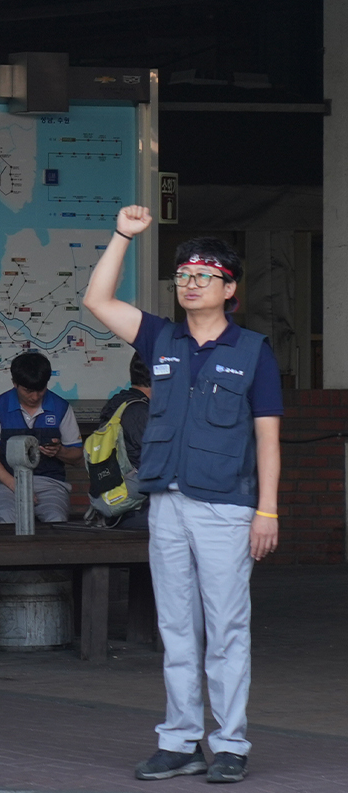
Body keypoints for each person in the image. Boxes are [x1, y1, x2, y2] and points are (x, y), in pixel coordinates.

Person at [84, 206, 280, 785]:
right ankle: (180, 741)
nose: (190, 284)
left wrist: (267, 510)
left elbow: (268, 438)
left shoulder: (254, 351)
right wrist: (122, 236)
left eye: (204, 276)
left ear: (230, 288)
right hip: (166, 504)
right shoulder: (160, 338)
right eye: (183, 276)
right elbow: (97, 300)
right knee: (176, 629)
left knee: (226, 629)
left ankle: (231, 744)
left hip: (227, 507)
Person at [0, 351, 83, 524]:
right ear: (15, 383)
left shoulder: (62, 408)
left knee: (56, 519)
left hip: (50, 483)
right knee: (6, 518)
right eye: (28, 391)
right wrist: (15, 485)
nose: (35, 397)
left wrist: (59, 451)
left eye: (40, 390)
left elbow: (77, 455)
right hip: (7, 483)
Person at [98, 355, 152, 531]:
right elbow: (157, 462)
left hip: (115, 501)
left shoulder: (118, 403)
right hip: (137, 509)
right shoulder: (140, 412)